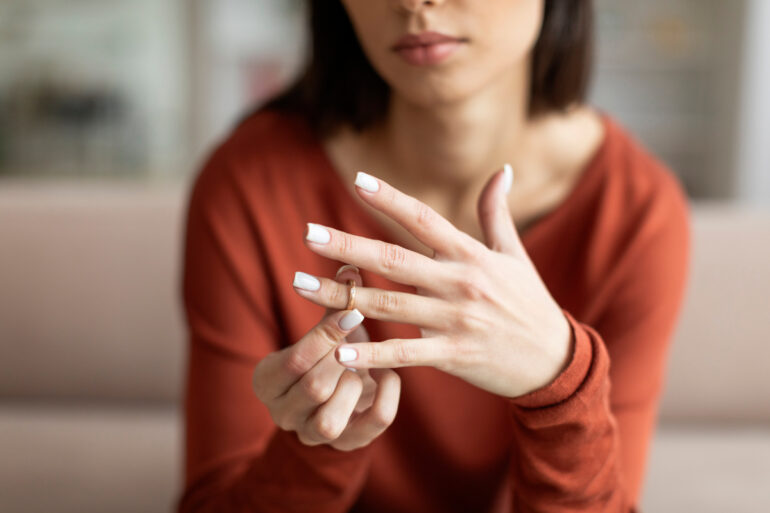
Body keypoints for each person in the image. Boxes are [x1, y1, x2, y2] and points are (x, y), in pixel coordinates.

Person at [177, 1, 691, 512]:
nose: (414, 3)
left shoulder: (636, 210)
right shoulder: (247, 183)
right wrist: (317, 446)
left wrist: (561, 388)